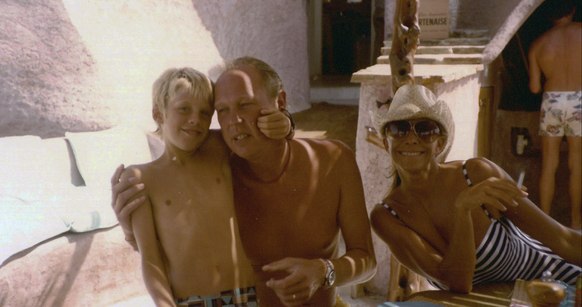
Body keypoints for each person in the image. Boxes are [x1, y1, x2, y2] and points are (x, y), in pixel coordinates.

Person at [113, 57, 377, 307]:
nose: (234, 122)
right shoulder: (219, 163)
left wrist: (324, 271)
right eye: (222, 111)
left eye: (245, 104)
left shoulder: (335, 161)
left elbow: (367, 262)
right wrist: (130, 230)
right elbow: (176, 237)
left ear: (280, 101)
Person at [369, 84, 582, 294]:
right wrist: (463, 211)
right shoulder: (387, 217)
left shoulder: (476, 175)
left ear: (440, 144)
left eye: (425, 130)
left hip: (562, 288)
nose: (412, 139)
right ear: (387, 144)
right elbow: (457, 283)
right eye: (399, 130)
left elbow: (562, 239)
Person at [115, 67, 293, 307]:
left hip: (250, 294)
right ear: (158, 113)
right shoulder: (140, 177)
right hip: (190, 301)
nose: (195, 120)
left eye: (205, 113)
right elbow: (151, 260)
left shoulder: (218, 148)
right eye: (184, 109)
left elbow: (259, 131)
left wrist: (287, 124)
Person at [527, 0, 582, 229]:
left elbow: (534, 88)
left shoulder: (538, 45)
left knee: (549, 163)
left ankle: (545, 223)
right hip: (579, 100)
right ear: (572, 10)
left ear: (549, 17)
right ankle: (577, 222)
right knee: (576, 162)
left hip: (552, 101)